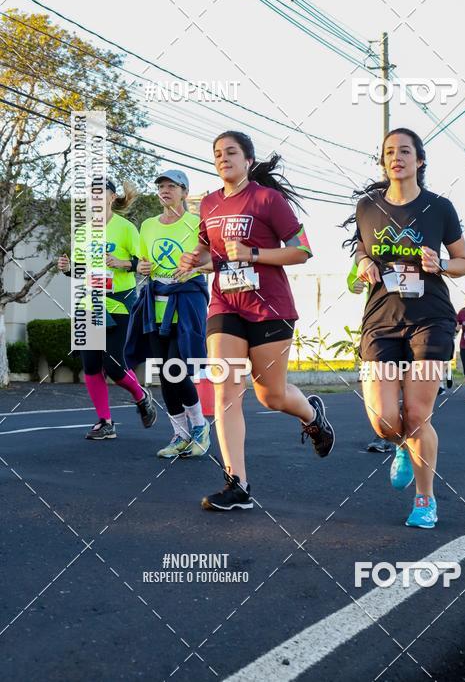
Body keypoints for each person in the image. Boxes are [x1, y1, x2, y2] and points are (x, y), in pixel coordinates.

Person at [178, 131, 334, 511]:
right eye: (217, 154)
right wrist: (193, 261)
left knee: (271, 395)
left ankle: (313, 416)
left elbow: (302, 251)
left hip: (269, 308)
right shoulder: (209, 204)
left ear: (248, 160)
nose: (223, 158)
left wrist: (254, 253)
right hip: (225, 307)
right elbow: (208, 253)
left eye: (231, 152)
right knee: (226, 392)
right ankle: (238, 485)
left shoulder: (268, 199)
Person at [345, 127, 465, 529]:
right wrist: (362, 263)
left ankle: (425, 500)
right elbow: (362, 251)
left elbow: (463, 261)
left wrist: (442, 265)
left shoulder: (440, 207)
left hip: (430, 318)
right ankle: (400, 446)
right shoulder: (367, 207)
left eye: (404, 151)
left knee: (417, 414)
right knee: (383, 420)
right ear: (382, 162)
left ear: (420, 160)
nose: (396, 157)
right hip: (380, 320)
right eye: (388, 152)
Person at [58, 179, 157, 440]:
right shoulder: (82, 232)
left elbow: (143, 264)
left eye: (101, 193)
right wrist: (68, 267)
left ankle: (141, 395)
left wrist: (122, 262)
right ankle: (105, 422)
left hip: (119, 303)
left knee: (113, 365)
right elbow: (80, 271)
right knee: (90, 365)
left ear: (112, 197)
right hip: (90, 303)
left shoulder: (126, 228)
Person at [125, 170, 211, 458]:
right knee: (164, 373)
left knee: (177, 369)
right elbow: (142, 261)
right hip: (155, 305)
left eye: (171, 186)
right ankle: (180, 434)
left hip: (186, 302)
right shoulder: (148, 226)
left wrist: (194, 269)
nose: (165, 190)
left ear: (184, 192)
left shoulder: (197, 223)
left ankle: (200, 427)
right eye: (161, 186)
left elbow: (214, 260)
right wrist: (141, 267)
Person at [347, 263, 394, 453]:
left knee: (407, 385)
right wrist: (355, 284)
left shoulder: (418, 244)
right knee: (379, 384)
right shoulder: (370, 249)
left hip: (414, 323)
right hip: (379, 324)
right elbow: (353, 278)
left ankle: (407, 434)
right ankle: (383, 435)